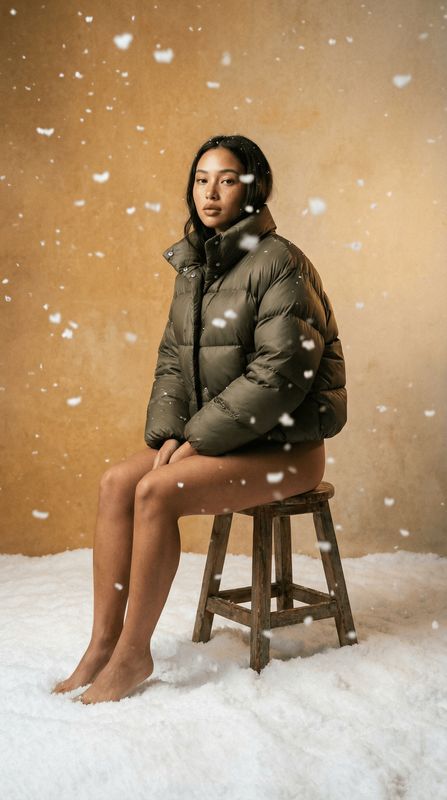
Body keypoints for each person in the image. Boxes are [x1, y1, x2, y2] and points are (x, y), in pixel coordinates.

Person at [51, 134, 347, 704]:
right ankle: (103, 644)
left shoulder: (279, 262)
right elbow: (172, 361)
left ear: (253, 188)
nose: (211, 191)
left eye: (227, 179)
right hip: (223, 439)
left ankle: (134, 656)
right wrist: (170, 434)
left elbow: (279, 377)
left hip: (287, 447)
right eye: (201, 178)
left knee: (156, 493)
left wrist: (196, 440)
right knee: (117, 482)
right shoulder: (194, 265)